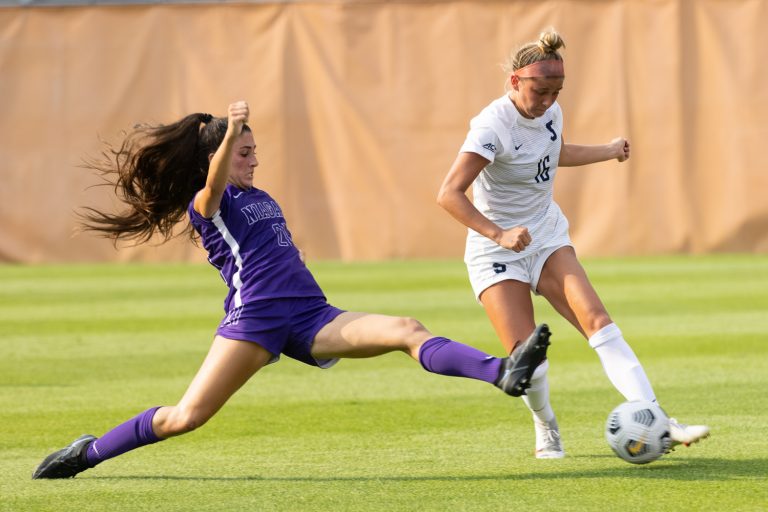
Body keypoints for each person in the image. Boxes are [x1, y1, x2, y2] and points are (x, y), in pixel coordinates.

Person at [33, 101, 552, 479]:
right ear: (219, 155)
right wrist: (231, 127)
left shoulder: (261, 197)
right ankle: (89, 452)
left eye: (255, 151)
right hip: (254, 321)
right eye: (244, 152)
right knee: (184, 417)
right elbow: (213, 187)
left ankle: (504, 373)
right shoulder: (208, 203)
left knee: (406, 330)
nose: (254, 160)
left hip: (310, 315)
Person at [437, 29, 709, 459]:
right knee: (529, 360)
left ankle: (659, 419)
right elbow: (448, 194)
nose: (548, 100)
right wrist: (499, 234)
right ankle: (546, 425)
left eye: (556, 91)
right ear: (514, 82)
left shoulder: (551, 112)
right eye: (540, 91)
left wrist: (608, 150)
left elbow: (552, 152)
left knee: (597, 320)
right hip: (495, 250)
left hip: (544, 234)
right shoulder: (491, 125)